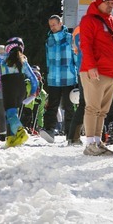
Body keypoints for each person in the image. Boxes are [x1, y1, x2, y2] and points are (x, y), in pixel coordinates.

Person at [79, 0, 113, 156]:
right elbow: (86, 45)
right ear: (98, 2)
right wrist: (91, 66)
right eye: (107, 3)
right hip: (94, 71)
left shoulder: (110, 20)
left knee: (103, 110)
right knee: (92, 108)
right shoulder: (88, 20)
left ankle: (97, 141)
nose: (111, 6)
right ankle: (90, 144)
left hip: (110, 72)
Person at [42, 15, 78, 144]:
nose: (52, 27)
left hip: (68, 78)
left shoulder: (70, 38)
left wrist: (78, 76)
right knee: (52, 106)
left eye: (54, 24)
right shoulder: (49, 40)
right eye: (50, 25)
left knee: (68, 107)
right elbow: (47, 60)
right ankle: (49, 130)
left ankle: (71, 134)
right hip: (53, 79)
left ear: (60, 23)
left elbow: (76, 58)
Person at [0, 38, 40, 148]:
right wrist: (32, 94)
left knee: (10, 114)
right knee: (13, 114)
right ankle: (11, 139)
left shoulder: (3, 60)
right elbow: (34, 80)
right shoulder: (24, 61)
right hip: (21, 89)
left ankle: (20, 130)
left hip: (8, 88)